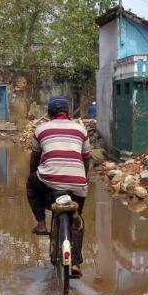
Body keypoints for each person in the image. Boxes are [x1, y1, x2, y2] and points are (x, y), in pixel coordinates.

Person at [26, 96, 90, 277]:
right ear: (68, 112)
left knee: (31, 183)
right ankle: (75, 263)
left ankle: (41, 223)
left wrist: (34, 174)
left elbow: (35, 158)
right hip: (77, 183)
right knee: (77, 220)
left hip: (49, 180)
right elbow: (86, 159)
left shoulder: (41, 129)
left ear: (49, 113)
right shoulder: (81, 129)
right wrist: (83, 178)